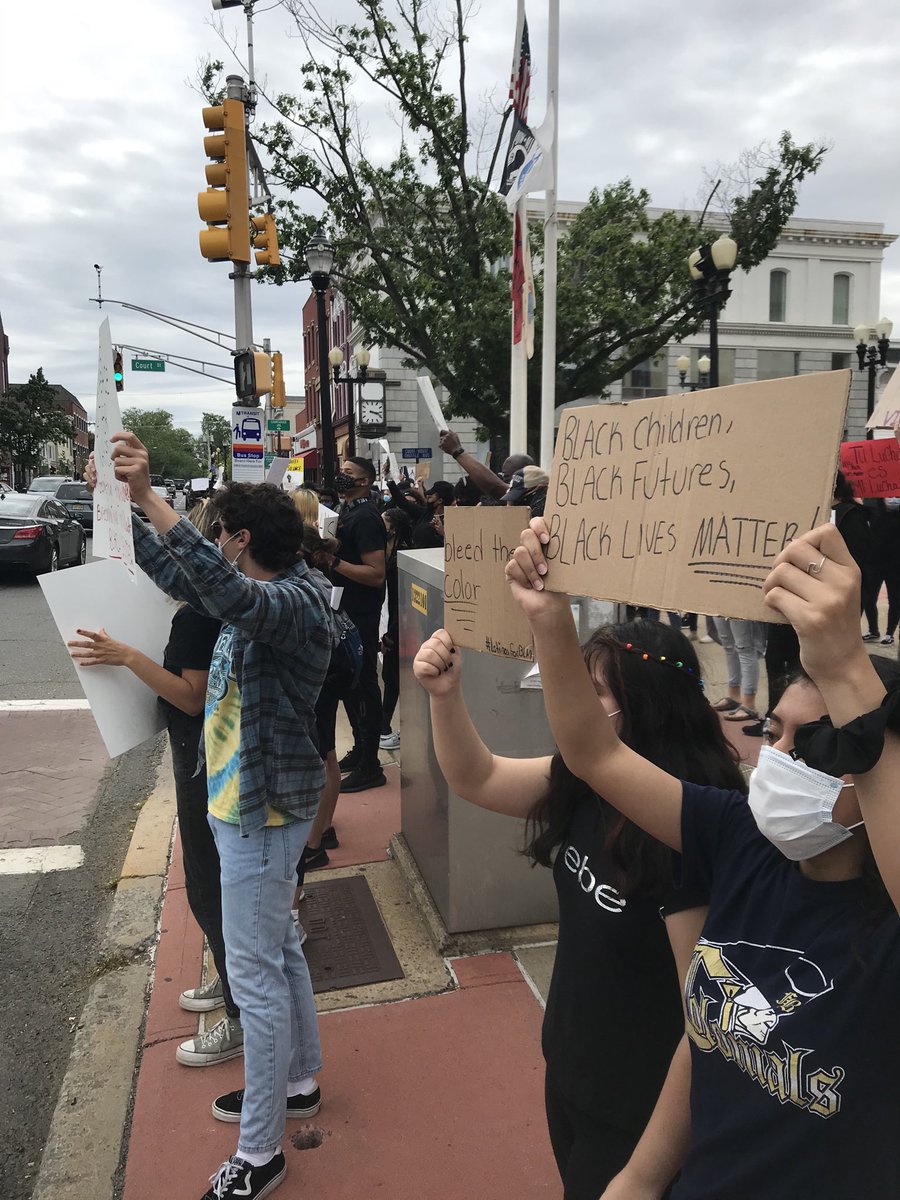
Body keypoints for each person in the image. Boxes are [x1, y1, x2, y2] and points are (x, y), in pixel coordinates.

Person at [507, 516, 900, 1199]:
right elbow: (595, 754)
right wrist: (550, 619)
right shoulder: (741, 839)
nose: (773, 758)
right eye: (772, 731)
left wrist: (845, 666)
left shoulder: (883, 927)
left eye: (818, 746)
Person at [414, 618, 744, 1199]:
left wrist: (644, 1176)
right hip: (572, 1068)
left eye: (594, 691)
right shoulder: (582, 781)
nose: (569, 704)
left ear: (648, 706)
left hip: (638, 1111)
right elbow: (479, 775)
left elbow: (708, 1022)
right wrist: (445, 696)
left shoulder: (688, 835)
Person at [108, 432, 332, 1200]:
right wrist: (123, 506)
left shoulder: (291, 601)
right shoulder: (268, 585)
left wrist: (148, 496)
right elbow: (178, 568)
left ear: (241, 541)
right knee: (283, 953)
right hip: (251, 807)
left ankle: (260, 1152)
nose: (210, 548)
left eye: (218, 535)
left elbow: (226, 592)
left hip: (263, 816)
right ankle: (298, 1079)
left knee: (258, 975)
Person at [68, 494, 241, 1066]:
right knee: (214, 882)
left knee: (210, 884)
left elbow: (189, 698)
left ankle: (240, 1011)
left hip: (203, 760)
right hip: (214, 758)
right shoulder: (223, 603)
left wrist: (125, 657)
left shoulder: (199, 613)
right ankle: (230, 980)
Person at [329, 457, 388, 792]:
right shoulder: (348, 511)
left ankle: (371, 765)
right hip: (346, 611)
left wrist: (334, 561)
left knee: (363, 685)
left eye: (349, 474)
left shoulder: (365, 518)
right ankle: (361, 751)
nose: (342, 476)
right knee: (351, 686)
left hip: (361, 615)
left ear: (365, 481)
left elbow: (375, 573)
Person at [379, 506, 413, 751]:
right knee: (391, 677)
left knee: (394, 678)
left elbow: (402, 599)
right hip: (397, 623)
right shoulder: (393, 551)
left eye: (384, 523)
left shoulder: (402, 554)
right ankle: (384, 726)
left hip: (402, 626)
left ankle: (385, 727)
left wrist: (392, 632)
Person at [438, 427, 534, 501]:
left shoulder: (532, 496)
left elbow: (496, 487)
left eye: (508, 477)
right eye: (502, 475)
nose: (502, 478)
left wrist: (457, 451)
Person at [388, 477, 454, 548]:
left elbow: (456, 544)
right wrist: (391, 483)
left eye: (431, 496)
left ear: (440, 500)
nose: (427, 497)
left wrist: (443, 533)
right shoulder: (425, 513)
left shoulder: (452, 520)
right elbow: (403, 503)